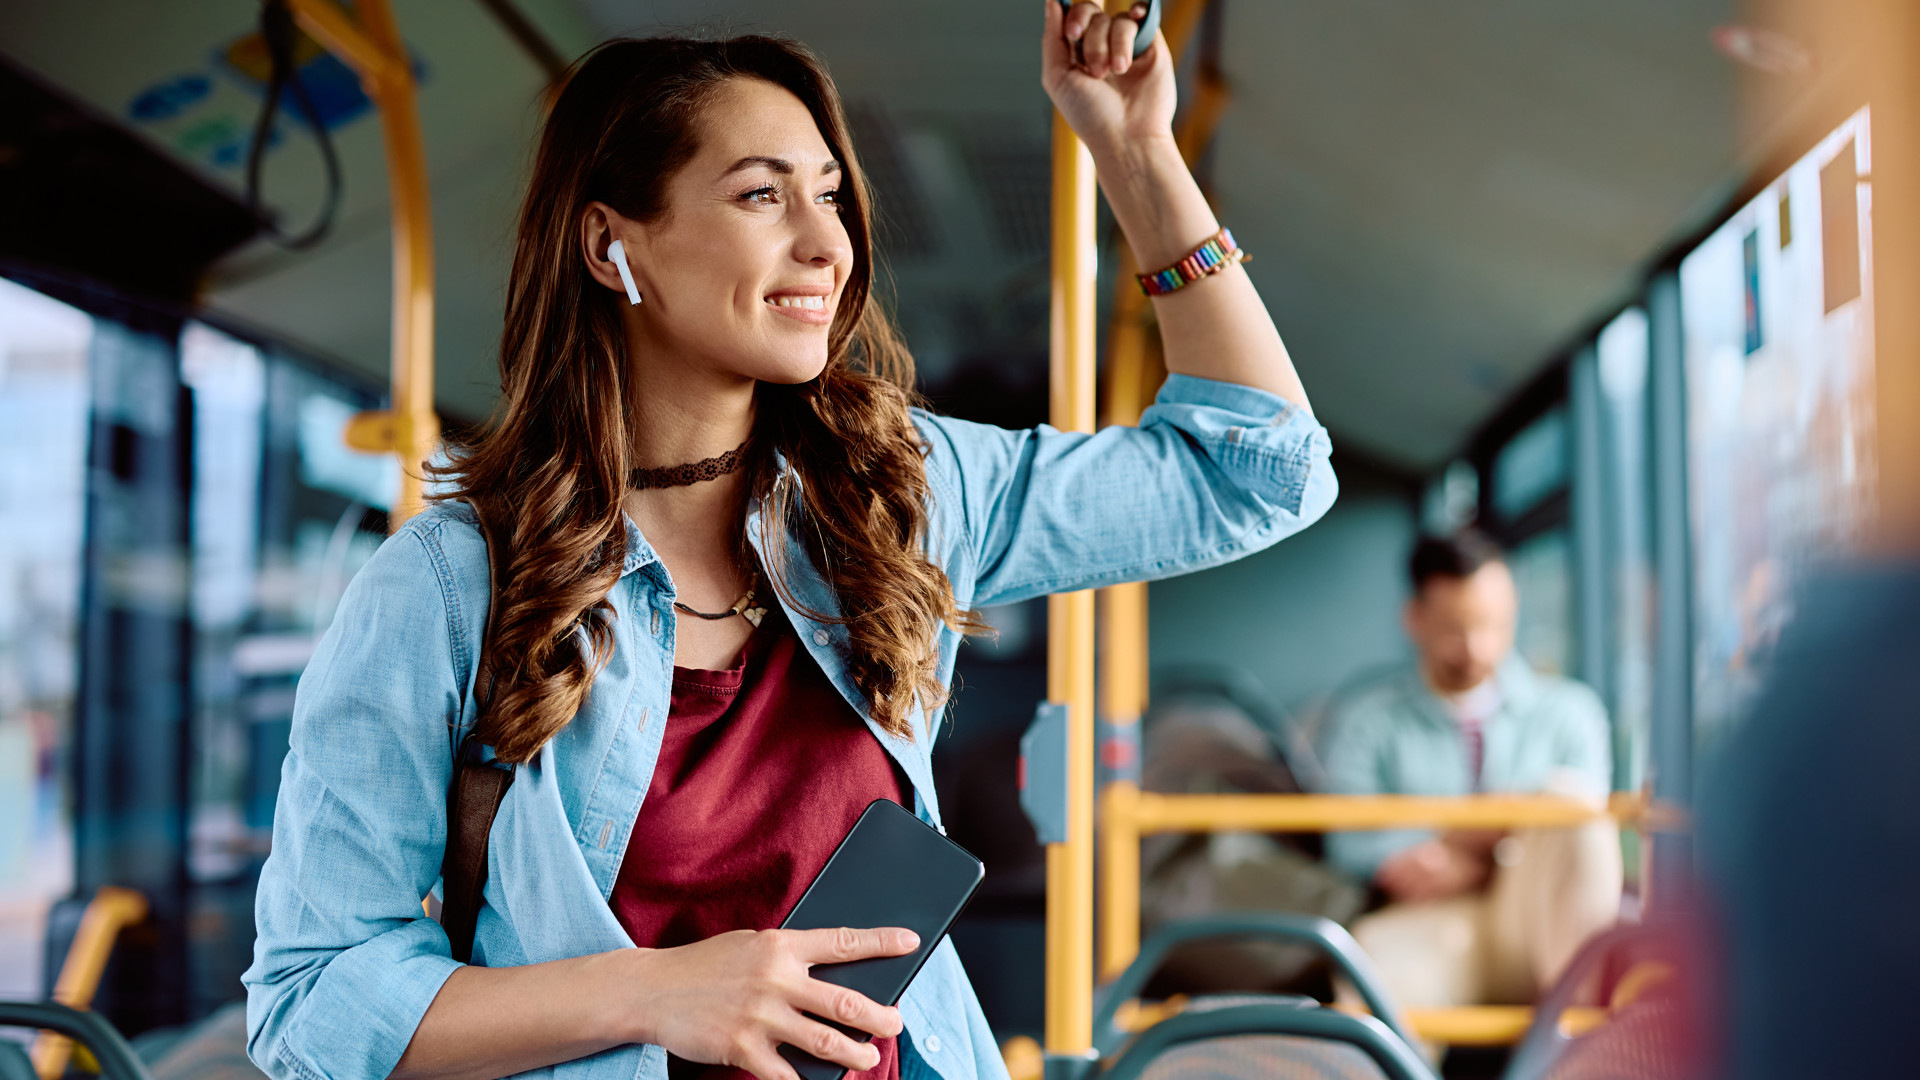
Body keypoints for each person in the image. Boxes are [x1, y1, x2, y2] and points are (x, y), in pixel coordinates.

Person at [243, 7, 1337, 1080]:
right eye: (763, 195)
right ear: (609, 242)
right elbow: (312, 1000)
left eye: (829, 196)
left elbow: (1259, 471)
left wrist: (1136, 149)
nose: (827, 243)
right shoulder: (447, 588)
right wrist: (661, 993)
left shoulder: (902, 491)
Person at [1319, 530, 1619, 1008]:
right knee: (1377, 994)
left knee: (1571, 806)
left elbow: (1585, 838)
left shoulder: (1570, 712)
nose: (1476, 647)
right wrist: (1484, 828)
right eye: (1455, 629)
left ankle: (1579, 1048)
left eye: (1492, 625)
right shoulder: (1367, 721)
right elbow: (1348, 842)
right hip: (1427, 918)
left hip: (1537, 921)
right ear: (1414, 619)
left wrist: (1459, 844)